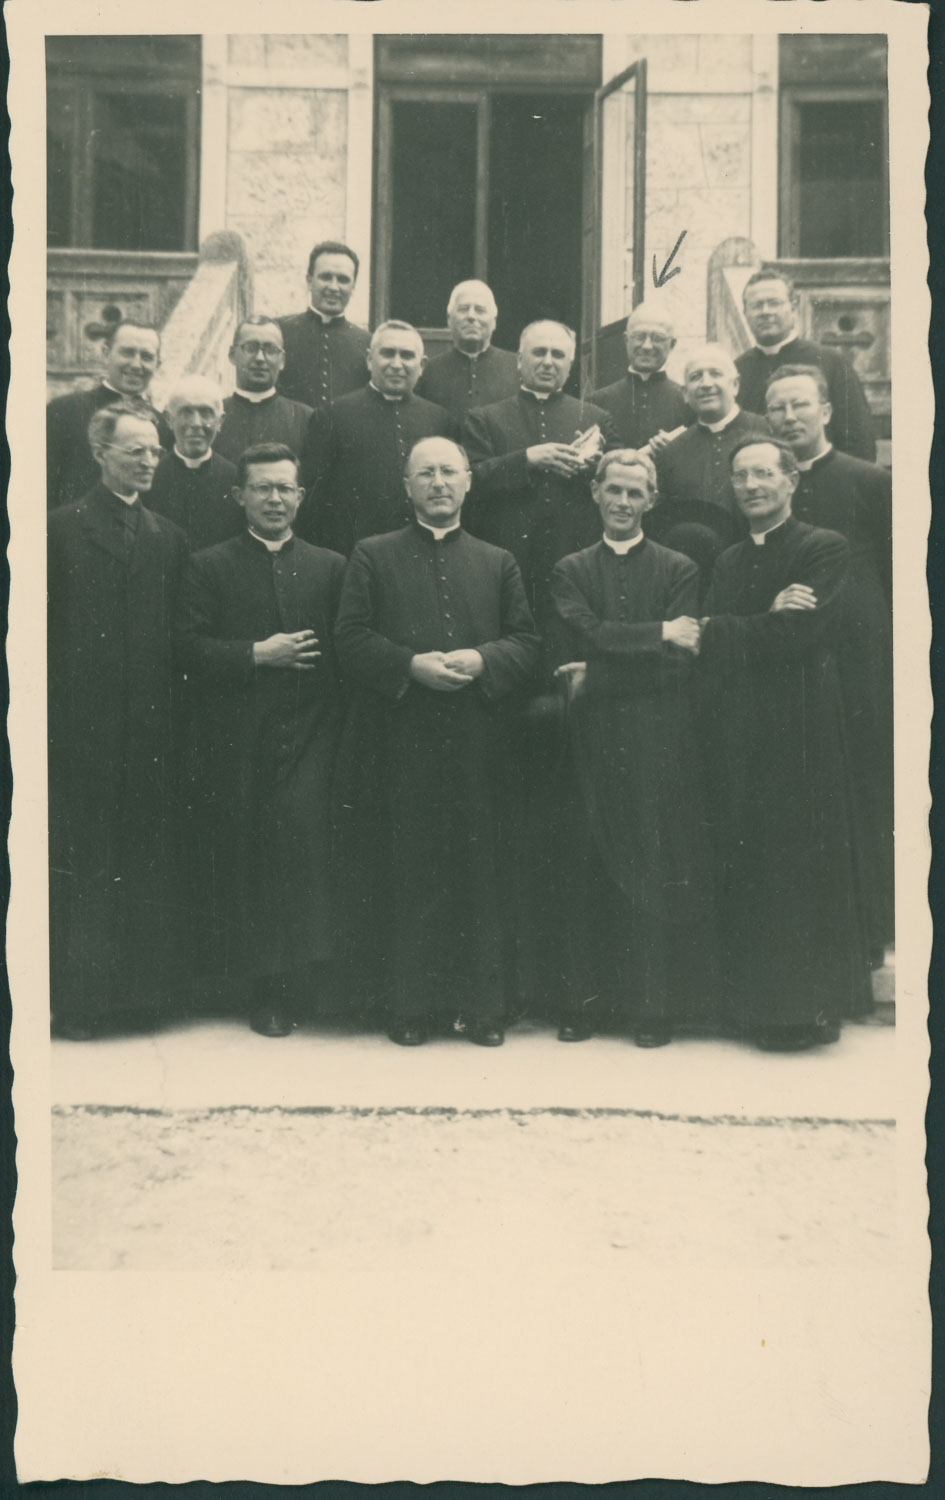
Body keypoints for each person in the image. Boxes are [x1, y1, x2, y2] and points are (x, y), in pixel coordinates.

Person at [334, 437, 539, 1047]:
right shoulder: (372, 555)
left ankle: (483, 1009)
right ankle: (410, 1007)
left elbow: (526, 641)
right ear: (407, 487)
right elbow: (350, 637)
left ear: (470, 482)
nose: (439, 483)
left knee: (480, 872)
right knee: (409, 869)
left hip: (480, 741)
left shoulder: (497, 560)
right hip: (402, 739)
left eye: (450, 471)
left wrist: (483, 658)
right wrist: (409, 665)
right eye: (425, 473)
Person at [698, 437, 872, 1050]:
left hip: (802, 729)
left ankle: (802, 1012)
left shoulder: (823, 547)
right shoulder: (727, 558)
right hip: (742, 729)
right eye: (741, 476)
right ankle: (751, 1008)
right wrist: (760, 617)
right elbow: (709, 639)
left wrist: (739, 626)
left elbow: (795, 635)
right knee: (751, 860)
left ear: (791, 481)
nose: (751, 486)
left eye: (764, 474)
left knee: (798, 864)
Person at [177, 443, 346, 1038]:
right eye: (262, 488)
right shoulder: (208, 565)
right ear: (239, 496)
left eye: (285, 489)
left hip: (316, 732)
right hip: (238, 738)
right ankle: (267, 990)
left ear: (300, 496)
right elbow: (186, 650)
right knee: (256, 856)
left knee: (308, 850)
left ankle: (315, 985)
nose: (275, 499)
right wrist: (255, 654)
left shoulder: (331, 566)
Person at [551, 450, 715, 1047]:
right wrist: (655, 634)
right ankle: (581, 1004)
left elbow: (680, 662)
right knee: (586, 864)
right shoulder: (570, 569)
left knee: (651, 865)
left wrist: (598, 673)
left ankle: (652, 1007)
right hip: (589, 739)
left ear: (652, 500)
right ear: (595, 492)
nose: (623, 502)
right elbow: (579, 635)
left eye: (635, 492)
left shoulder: (678, 568)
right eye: (614, 490)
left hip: (657, 738)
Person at [48, 402, 190, 1039]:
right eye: (136, 450)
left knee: (146, 856)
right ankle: (82, 1004)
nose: (149, 461)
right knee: (86, 860)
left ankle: (142, 998)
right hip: (82, 731)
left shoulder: (169, 537)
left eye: (155, 451)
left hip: (152, 729)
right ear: (99, 453)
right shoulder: (59, 531)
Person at [765, 363, 893, 958]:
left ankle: (872, 926)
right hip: (790, 652)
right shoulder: (765, 483)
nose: (789, 417)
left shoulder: (870, 481)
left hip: (857, 652)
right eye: (777, 408)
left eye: (799, 405)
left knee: (864, 778)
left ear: (826, 411)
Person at [462, 319, 619, 629]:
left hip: (575, 556)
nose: (548, 362)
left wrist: (596, 465)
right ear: (520, 361)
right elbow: (470, 480)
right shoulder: (484, 419)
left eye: (558, 354)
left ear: (570, 364)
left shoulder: (597, 419)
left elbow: (620, 477)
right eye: (539, 352)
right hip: (507, 559)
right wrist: (526, 459)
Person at [297, 320, 454, 553]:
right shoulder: (332, 415)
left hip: (423, 552)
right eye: (388, 353)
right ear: (370, 360)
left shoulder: (440, 419)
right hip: (351, 552)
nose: (397, 364)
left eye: (407, 355)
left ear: (421, 365)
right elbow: (312, 499)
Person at [649, 344, 769, 585]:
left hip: (761, 567)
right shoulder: (672, 451)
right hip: (696, 578)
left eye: (715, 374)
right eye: (696, 377)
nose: (706, 384)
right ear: (685, 393)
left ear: (735, 385)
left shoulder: (767, 432)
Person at [735, 268, 875, 461]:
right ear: (745, 313)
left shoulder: (831, 362)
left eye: (774, 303)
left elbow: (859, 440)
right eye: (757, 305)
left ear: (793, 308)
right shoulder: (737, 371)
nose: (765, 312)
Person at [47, 319, 161, 509]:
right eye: (127, 352)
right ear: (106, 353)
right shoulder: (63, 411)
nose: (136, 364)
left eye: (147, 357)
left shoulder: (162, 424)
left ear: (158, 364)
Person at [147, 375, 241, 550]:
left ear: (220, 421)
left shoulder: (235, 478)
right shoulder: (150, 476)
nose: (196, 423)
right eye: (186, 412)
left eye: (206, 413)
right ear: (168, 419)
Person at [276, 240, 370, 414]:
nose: (334, 287)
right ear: (309, 281)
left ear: (353, 287)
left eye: (343, 280)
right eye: (325, 277)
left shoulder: (367, 342)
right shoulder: (278, 332)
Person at [589, 302, 692, 453]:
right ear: (626, 340)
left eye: (658, 338)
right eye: (639, 337)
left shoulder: (689, 402)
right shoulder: (596, 401)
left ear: (672, 344)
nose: (647, 346)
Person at [416, 280, 519, 422]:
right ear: (449, 320)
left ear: (494, 321)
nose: (471, 316)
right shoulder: (429, 371)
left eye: (480, 310)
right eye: (463, 309)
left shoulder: (517, 368)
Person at [214, 317, 313, 464]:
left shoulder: (305, 419)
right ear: (232, 355)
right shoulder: (213, 415)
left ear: (282, 360)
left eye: (271, 350)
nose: (260, 358)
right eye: (250, 348)